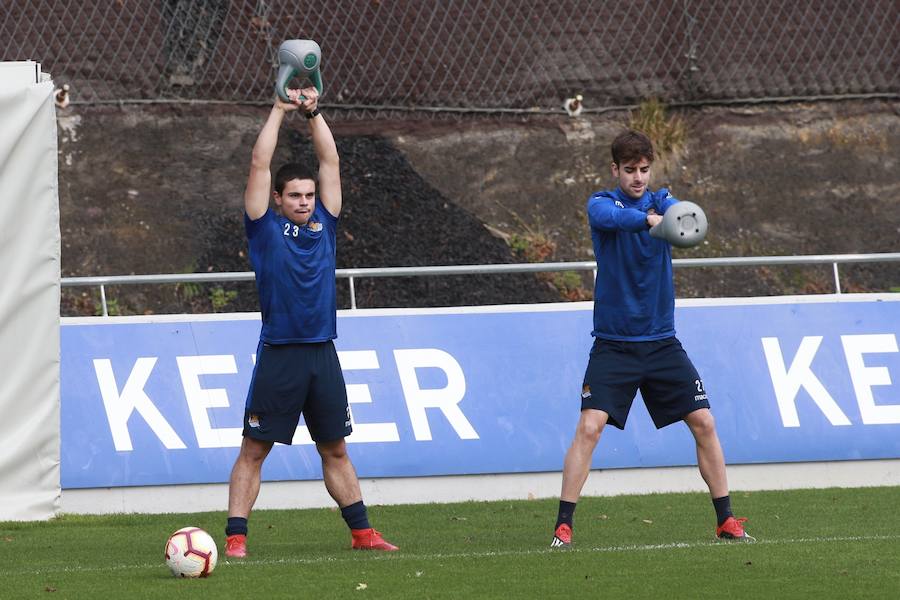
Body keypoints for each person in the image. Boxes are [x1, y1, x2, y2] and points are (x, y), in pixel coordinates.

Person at [550, 129, 753, 549]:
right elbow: (614, 219)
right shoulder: (601, 204)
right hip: (614, 344)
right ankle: (563, 526)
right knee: (590, 426)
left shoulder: (663, 202)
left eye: (644, 169)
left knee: (704, 422)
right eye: (630, 170)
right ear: (615, 170)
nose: (638, 177)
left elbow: (683, 215)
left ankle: (726, 520)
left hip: (662, 343)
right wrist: (648, 221)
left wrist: (672, 215)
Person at [224, 86, 398, 558]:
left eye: (308, 195)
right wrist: (279, 110)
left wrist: (313, 112)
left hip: (323, 352)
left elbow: (331, 162)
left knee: (335, 449)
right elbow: (259, 163)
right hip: (279, 353)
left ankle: (363, 534)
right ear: (277, 199)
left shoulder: (326, 222)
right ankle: (236, 538)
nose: (303, 201)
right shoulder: (263, 227)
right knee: (254, 450)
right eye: (295, 195)